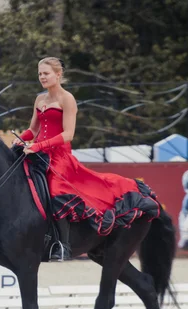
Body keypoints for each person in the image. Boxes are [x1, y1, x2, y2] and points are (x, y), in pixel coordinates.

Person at [13, 57, 161, 261]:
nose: (42, 77)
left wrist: (39, 145)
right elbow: (33, 129)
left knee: (57, 192)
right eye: (39, 74)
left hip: (59, 157)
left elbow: (68, 134)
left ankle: (62, 245)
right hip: (38, 153)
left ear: (58, 74)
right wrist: (20, 141)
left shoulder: (67, 99)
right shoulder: (40, 100)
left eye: (46, 73)